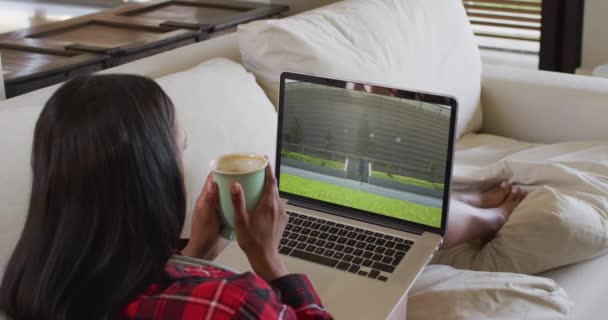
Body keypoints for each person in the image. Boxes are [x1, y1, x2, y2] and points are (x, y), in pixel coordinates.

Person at [0, 75, 333, 320]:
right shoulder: (231, 302)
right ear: (154, 175)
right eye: (180, 148)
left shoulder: (27, 290)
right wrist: (268, 259)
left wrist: (195, 253)